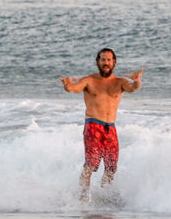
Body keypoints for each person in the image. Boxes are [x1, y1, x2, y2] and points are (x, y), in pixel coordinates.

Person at [59, 48, 143, 200]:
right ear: (98, 62)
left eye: (109, 60)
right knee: (90, 164)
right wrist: (67, 85)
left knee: (111, 167)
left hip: (110, 128)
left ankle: (104, 197)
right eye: (103, 60)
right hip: (93, 125)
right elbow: (73, 88)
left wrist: (137, 82)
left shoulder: (120, 82)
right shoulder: (89, 81)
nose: (106, 63)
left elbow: (132, 88)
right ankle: (82, 198)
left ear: (114, 62)